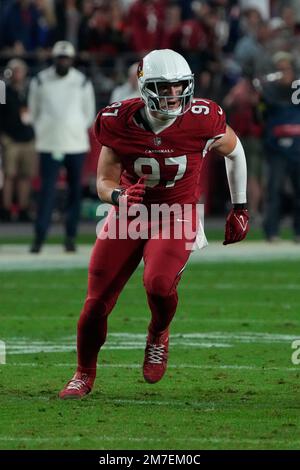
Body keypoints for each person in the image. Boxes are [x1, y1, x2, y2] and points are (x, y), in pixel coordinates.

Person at [59, 49, 249, 399]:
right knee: (95, 303)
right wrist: (118, 197)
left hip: (177, 214)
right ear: (145, 87)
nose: (175, 95)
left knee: (159, 284)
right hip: (131, 214)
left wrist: (240, 206)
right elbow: (104, 180)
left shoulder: (203, 117)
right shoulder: (117, 120)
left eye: (180, 87)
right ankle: (83, 373)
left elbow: (235, 151)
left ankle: (158, 333)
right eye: (165, 87)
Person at [28, 40, 96, 253]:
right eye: (60, 58)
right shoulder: (40, 80)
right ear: (54, 59)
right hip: (49, 143)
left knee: (75, 192)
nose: (63, 62)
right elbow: (33, 111)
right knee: (47, 191)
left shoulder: (83, 81)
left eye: (66, 58)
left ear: (71, 59)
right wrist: (47, 130)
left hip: (75, 144)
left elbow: (89, 114)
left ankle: (70, 236)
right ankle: (39, 237)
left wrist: (71, 128)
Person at [260, 52, 300, 242]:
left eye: (286, 68)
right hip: (277, 149)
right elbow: (261, 115)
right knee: (274, 190)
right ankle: (272, 231)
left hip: (297, 148)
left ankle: (298, 232)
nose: (283, 73)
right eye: (280, 69)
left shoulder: (296, 90)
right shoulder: (268, 91)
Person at [0, 58, 36, 222]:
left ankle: (23, 209)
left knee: (25, 176)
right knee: (9, 175)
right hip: (10, 139)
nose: (17, 74)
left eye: (20, 70)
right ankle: (6, 210)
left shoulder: (30, 89)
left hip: (28, 138)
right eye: (14, 70)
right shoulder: (2, 89)